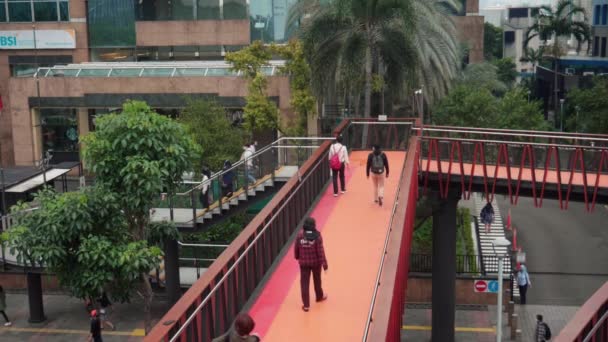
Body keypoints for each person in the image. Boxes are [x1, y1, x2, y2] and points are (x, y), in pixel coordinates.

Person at [294, 217, 328, 312]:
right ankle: (319, 296)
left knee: (304, 283)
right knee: (317, 280)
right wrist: (324, 265)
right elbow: (320, 252)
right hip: (316, 263)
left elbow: (296, 248)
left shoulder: (300, 235)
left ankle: (306, 305)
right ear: (313, 225)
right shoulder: (317, 236)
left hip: (304, 263)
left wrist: (297, 256)